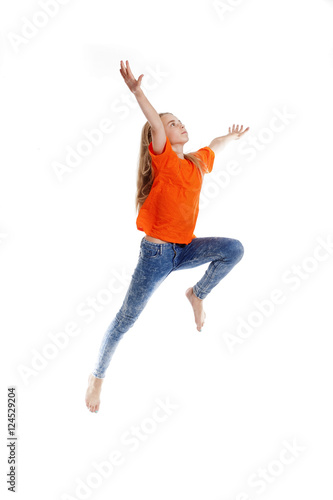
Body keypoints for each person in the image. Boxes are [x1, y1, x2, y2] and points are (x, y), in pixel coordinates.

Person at [85, 60, 250, 413]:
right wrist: (138, 92)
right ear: (158, 135)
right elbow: (155, 122)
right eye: (171, 123)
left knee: (233, 249)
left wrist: (231, 137)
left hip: (185, 249)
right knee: (125, 319)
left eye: (180, 121)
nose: (179, 125)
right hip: (156, 256)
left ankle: (197, 293)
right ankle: (97, 377)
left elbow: (216, 145)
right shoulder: (163, 159)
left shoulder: (196, 162)